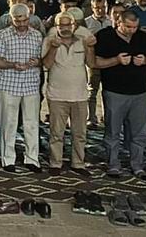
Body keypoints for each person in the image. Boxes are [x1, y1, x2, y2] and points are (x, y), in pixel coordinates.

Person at [92, 10, 146, 178]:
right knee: (113, 131)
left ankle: (137, 165)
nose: (132, 30)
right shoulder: (105, 36)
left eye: (135, 27)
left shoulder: (142, 37)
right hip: (114, 91)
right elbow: (95, 62)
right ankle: (113, 163)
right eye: (128, 27)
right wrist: (116, 60)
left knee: (139, 132)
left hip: (140, 92)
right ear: (118, 23)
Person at [0, 3, 43, 173]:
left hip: (30, 84)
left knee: (32, 123)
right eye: (17, 20)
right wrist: (12, 65)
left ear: (29, 18)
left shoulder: (37, 36)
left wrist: (37, 62)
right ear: (11, 19)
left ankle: (32, 159)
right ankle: (8, 159)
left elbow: (44, 59)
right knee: (9, 123)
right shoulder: (2, 35)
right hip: (8, 84)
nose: (21, 24)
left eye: (24, 20)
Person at [42, 10, 93, 176]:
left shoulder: (83, 41)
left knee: (80, 133)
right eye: (60, 25)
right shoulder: (49, 41)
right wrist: (53, 48)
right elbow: (46, 65)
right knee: (56, 133)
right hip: (57, 95)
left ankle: (78, 163)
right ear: (56, 26)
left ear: (74, 26)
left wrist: (90, 47)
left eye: (67, 25)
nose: (64, 28)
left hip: (80, 95)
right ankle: (55, 163)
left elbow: (91, 63)